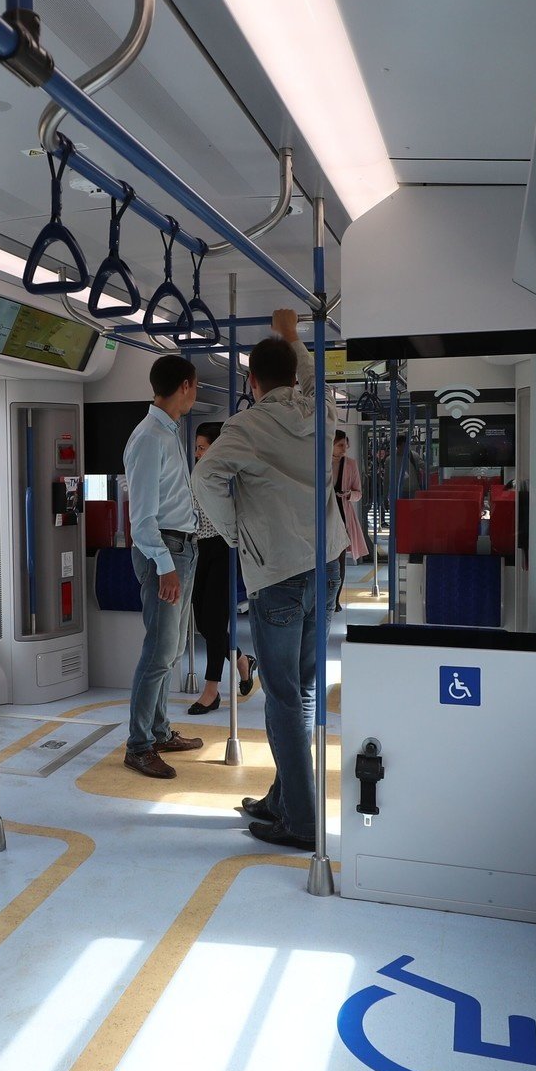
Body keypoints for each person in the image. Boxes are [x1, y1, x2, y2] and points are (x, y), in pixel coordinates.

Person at [193, 308, 344, 850]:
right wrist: (294, 336)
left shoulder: (246, 427)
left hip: (278, 571)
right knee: (301, 691)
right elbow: (313, 375)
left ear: (252, 381)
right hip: (327, 566)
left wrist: (234, 530)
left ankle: (301, 820)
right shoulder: (321, 409)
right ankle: (283, 799)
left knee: (282, 698)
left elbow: (205, 477)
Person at [122, 353, 207, 778]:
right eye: (196, 385)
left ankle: (158, 731)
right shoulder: (149, 437)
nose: (196, 393)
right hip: (165, 551)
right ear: (185, 386)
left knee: (171, 651)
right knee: (158, 652)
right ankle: (138, 746)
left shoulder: (168, 431)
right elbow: (141, 519)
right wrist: (164, 565)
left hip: (181, 548)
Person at [188, 422, 255, 714]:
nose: (197, 453)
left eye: (202, 448)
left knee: (215, 623)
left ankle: (211, 690)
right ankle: (242, 660)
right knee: (203, 623)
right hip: (199, 548)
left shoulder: (231, 476)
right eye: (197, 448)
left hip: (225, 548)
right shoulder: (196, 473)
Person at [331, 432, 370, 611]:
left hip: (342, 514)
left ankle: (335, 599)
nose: (343, 450)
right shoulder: (318, 461)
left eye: (345, 446)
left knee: (339, 561)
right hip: (323, 515)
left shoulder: (351, 464)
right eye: (340, 445)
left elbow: (358, 493)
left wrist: (348, 495)